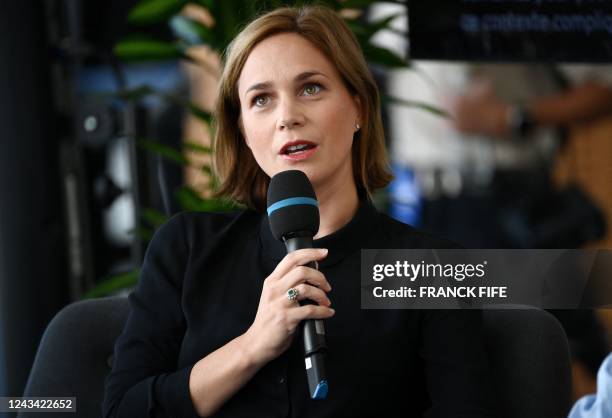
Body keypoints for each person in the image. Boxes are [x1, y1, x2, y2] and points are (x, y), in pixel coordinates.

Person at [102, 5, 493, 418]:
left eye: (311, 88)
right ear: (243, 132)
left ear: (358, 106)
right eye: (261, 100)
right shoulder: (186, 248)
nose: (288, 117)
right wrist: (254, 345)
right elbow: (123, 410)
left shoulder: (430, 268)